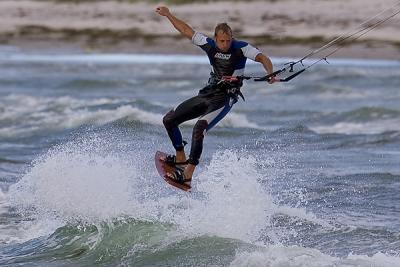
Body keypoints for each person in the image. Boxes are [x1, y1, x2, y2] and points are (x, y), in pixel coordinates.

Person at [155, 6, 275, 187]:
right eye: (222, 41)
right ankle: (180, 158)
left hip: (225, 98)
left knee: (199, 129)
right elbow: (187, 31)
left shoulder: (241, 48)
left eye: (228, 40)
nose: (225, 44)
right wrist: (169, 15)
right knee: (169, 120)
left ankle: (188, 174)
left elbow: (262, 58)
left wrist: (270, 73)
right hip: (208, 93)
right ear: (216, 39)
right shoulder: (209, 45)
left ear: (231, 38)